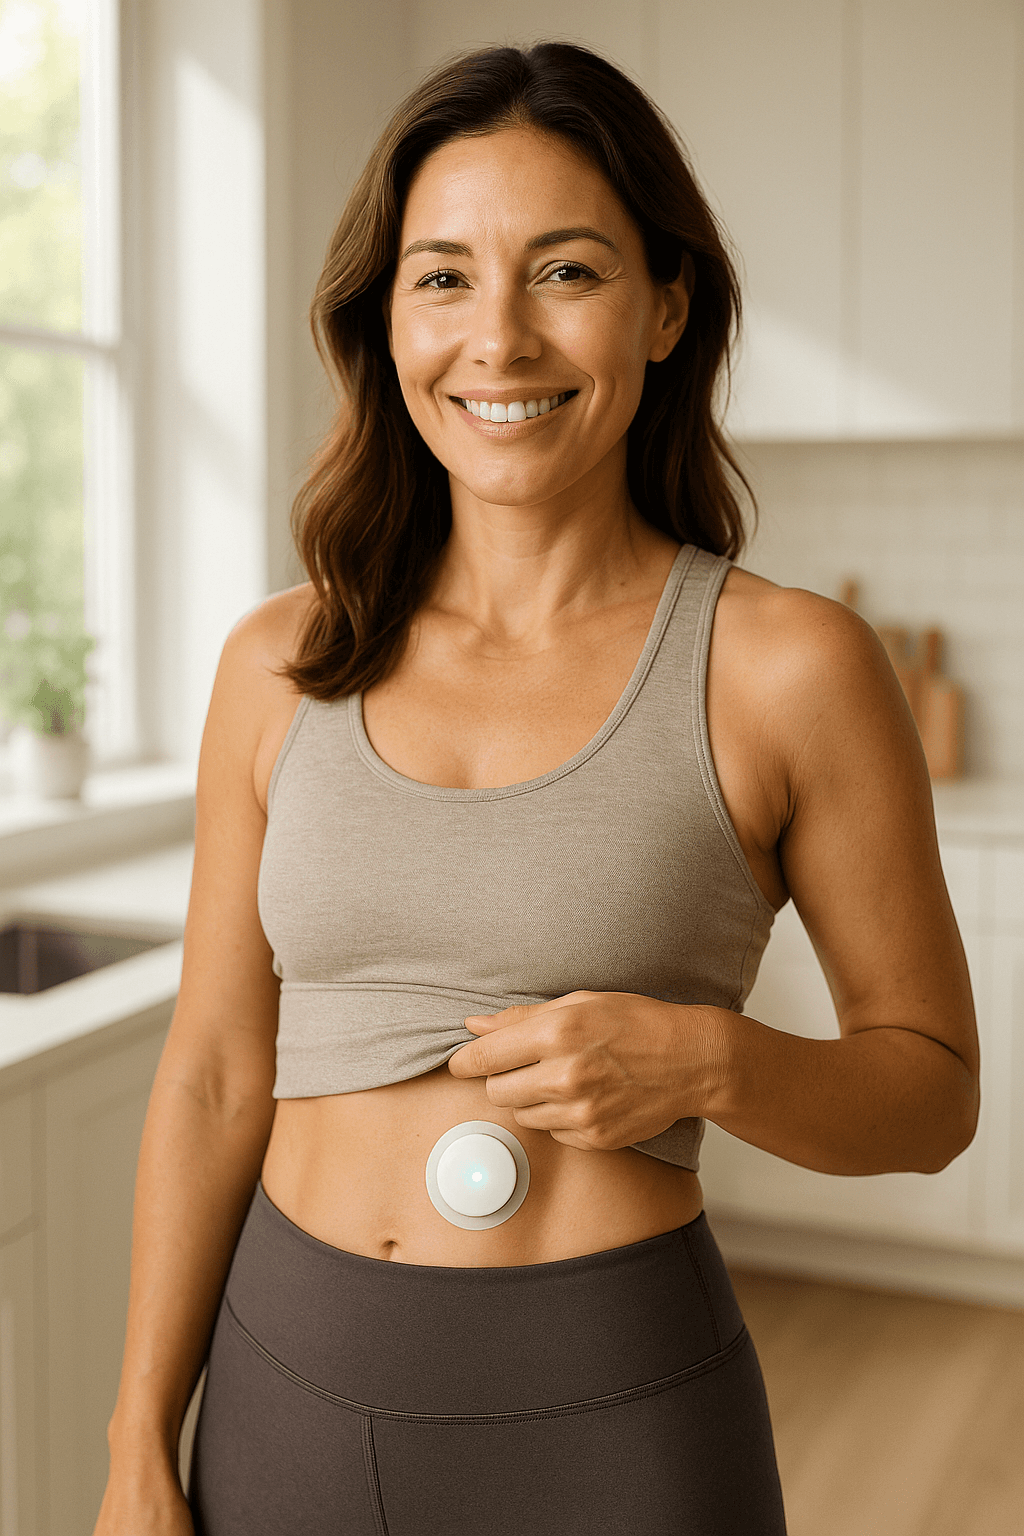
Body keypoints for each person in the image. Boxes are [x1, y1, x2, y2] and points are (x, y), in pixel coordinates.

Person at [94, 40, 979, 1536]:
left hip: (615, 1422)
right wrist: (134, 1444)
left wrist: (710, 1064)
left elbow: (935, 1092)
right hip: (284, 1396)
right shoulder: (280, 664)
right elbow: (213, 1078)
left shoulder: (786, 667)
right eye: (443, 277)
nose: (496, 338)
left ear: (665, 306)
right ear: (387, 321)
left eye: (564, 271)